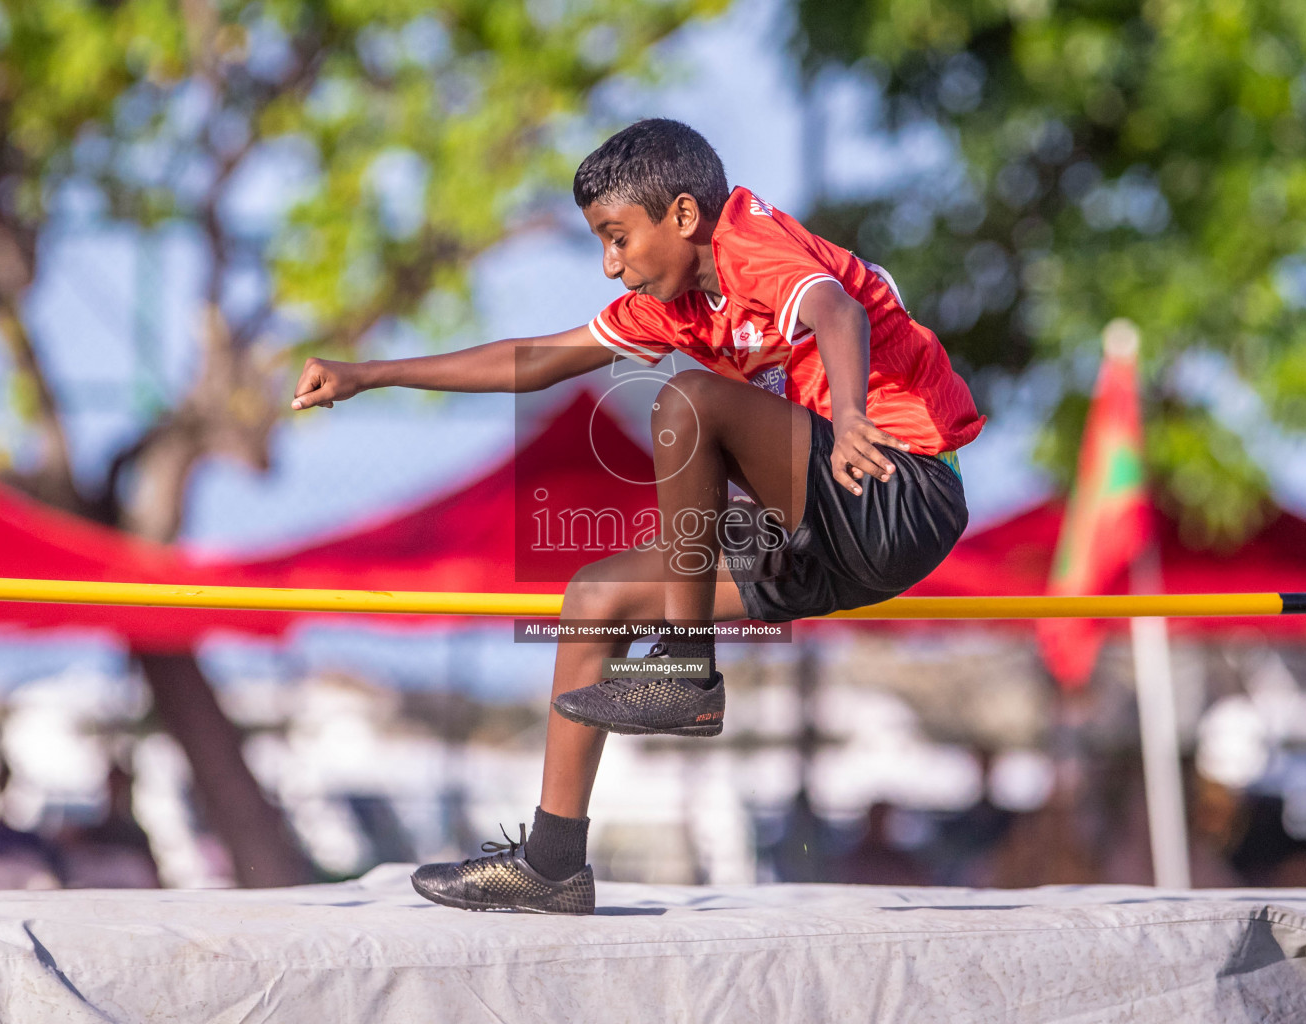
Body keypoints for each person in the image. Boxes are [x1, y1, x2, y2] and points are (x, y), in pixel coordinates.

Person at [291, 119, 984, 914]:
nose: (611, 264)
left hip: (896, 489)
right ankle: (552, 864)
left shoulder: (752, 241)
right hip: (819, 542)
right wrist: (370, 373)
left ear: (684, 216)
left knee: (688, 401)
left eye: (618, 238)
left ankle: (686, 668)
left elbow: (834, 309)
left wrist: (854, 413)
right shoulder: (674, 310)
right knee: (594, 595)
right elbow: (532, 360)